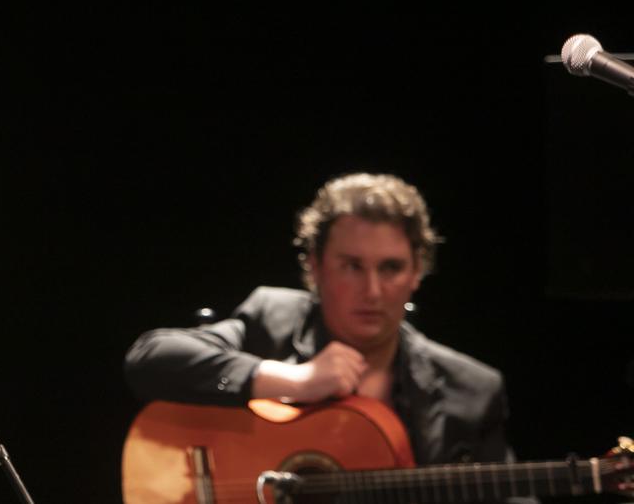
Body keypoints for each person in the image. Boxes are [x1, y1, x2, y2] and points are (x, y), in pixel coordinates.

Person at [124, 173, 514, 465]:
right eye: (352, 266)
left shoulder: (473, 391)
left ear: (417, 273)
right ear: (315, 266)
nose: (373, 291)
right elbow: (150, 358)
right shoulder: (271, 319)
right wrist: (293, 379)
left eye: (391, 268)